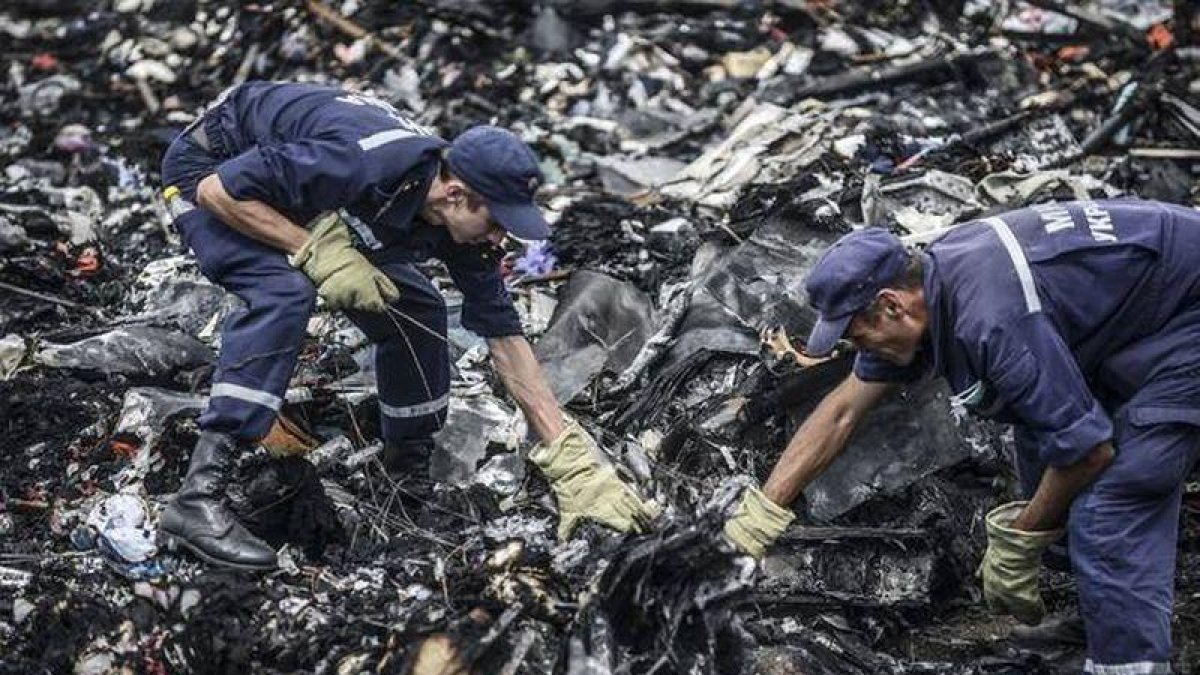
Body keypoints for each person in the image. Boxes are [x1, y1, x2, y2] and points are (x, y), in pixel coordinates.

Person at [158, 81, 657, 570]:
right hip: (214, 167)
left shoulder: (458, 223)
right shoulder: (362, 161)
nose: (501, 235)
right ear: (457, 194)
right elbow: (217, 191)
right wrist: (311, 248)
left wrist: (569, 457)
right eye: (498, 221)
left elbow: (504, 336)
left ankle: (403, 477)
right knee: (284, 291)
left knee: (417, 308)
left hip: (301, 190)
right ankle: (199, 496)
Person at [722, 199, 1200, 674]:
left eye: (856, 337)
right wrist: (762, 514)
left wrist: (1019, 540)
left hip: (1188, 318)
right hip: (1149, 307)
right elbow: (844, 410)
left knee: (1113, 498)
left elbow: (1089, 452)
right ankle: (1103, 619)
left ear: (891, 306)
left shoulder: (992, 321)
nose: (857, 349)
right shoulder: (933, 280)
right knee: (1042, 463)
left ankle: (1130, 661)